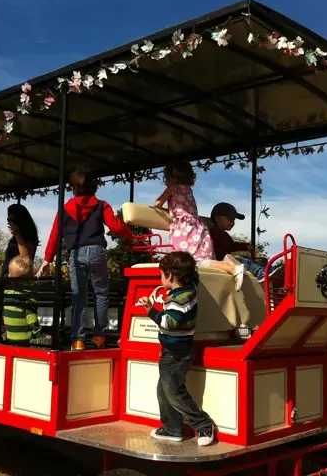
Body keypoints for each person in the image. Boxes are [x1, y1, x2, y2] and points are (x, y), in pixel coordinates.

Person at [36, 169, 134, 351]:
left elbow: (55, 235)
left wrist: (47, 259)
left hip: (76, 253)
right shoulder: (102, 205)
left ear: (73, 188)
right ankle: (98, 336)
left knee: (79, 297)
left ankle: (78, 340)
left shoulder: (64, 209)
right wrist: (131, 235)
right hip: (97, 251)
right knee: (101, 294)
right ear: (95, 187)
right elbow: (115, 225)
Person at [139, 251, 214, 446]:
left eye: (161, 275)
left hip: (175, 353)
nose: (160, 279)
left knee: (174, 393)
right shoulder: (190, 289)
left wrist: (150, 310)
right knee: (164, 390)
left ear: (171, 276)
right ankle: (172, 428)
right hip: (175, 351)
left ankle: (203, 424)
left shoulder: (179, 298)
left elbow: (169, 323)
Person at [154, 161, 244, 291]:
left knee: (191, 262)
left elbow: (157, 204)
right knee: (201, 258)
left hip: (184, 230)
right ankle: (227, 263)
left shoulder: (172, 189)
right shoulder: (188, 189)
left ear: (172, 177)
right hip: (197, 227)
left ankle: (233, 268)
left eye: (166, 179)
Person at [209, 202, 274, 282]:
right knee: (238, 259)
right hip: (218, 262)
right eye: (229, 219)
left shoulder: (224, 234)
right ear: (217, 219)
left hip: (224, 260)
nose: (232, 222)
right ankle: (260, 272)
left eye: (233, 220)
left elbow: (232, 245)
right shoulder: (212, 233)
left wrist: (246, 246)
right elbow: (227, 247)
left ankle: (265, 269)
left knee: (247, 259)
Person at [4, 256, 51, 346]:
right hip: (25, 339)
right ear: (30, 278)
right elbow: (32, 321)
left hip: (10, 336)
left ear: (10, 276)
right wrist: (40, 334)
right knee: (48, 340)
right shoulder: (28, 297)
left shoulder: (6, 294)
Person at [0, 204, 39, 277]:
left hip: (16, 280)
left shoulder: (29, 236)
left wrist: (17, 234)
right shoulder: (14, 239)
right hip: (6, 277)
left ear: (20, 220)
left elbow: (25, 260)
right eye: (8, 220)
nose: (9, 222)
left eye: (12, 220)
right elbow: (13, 262)